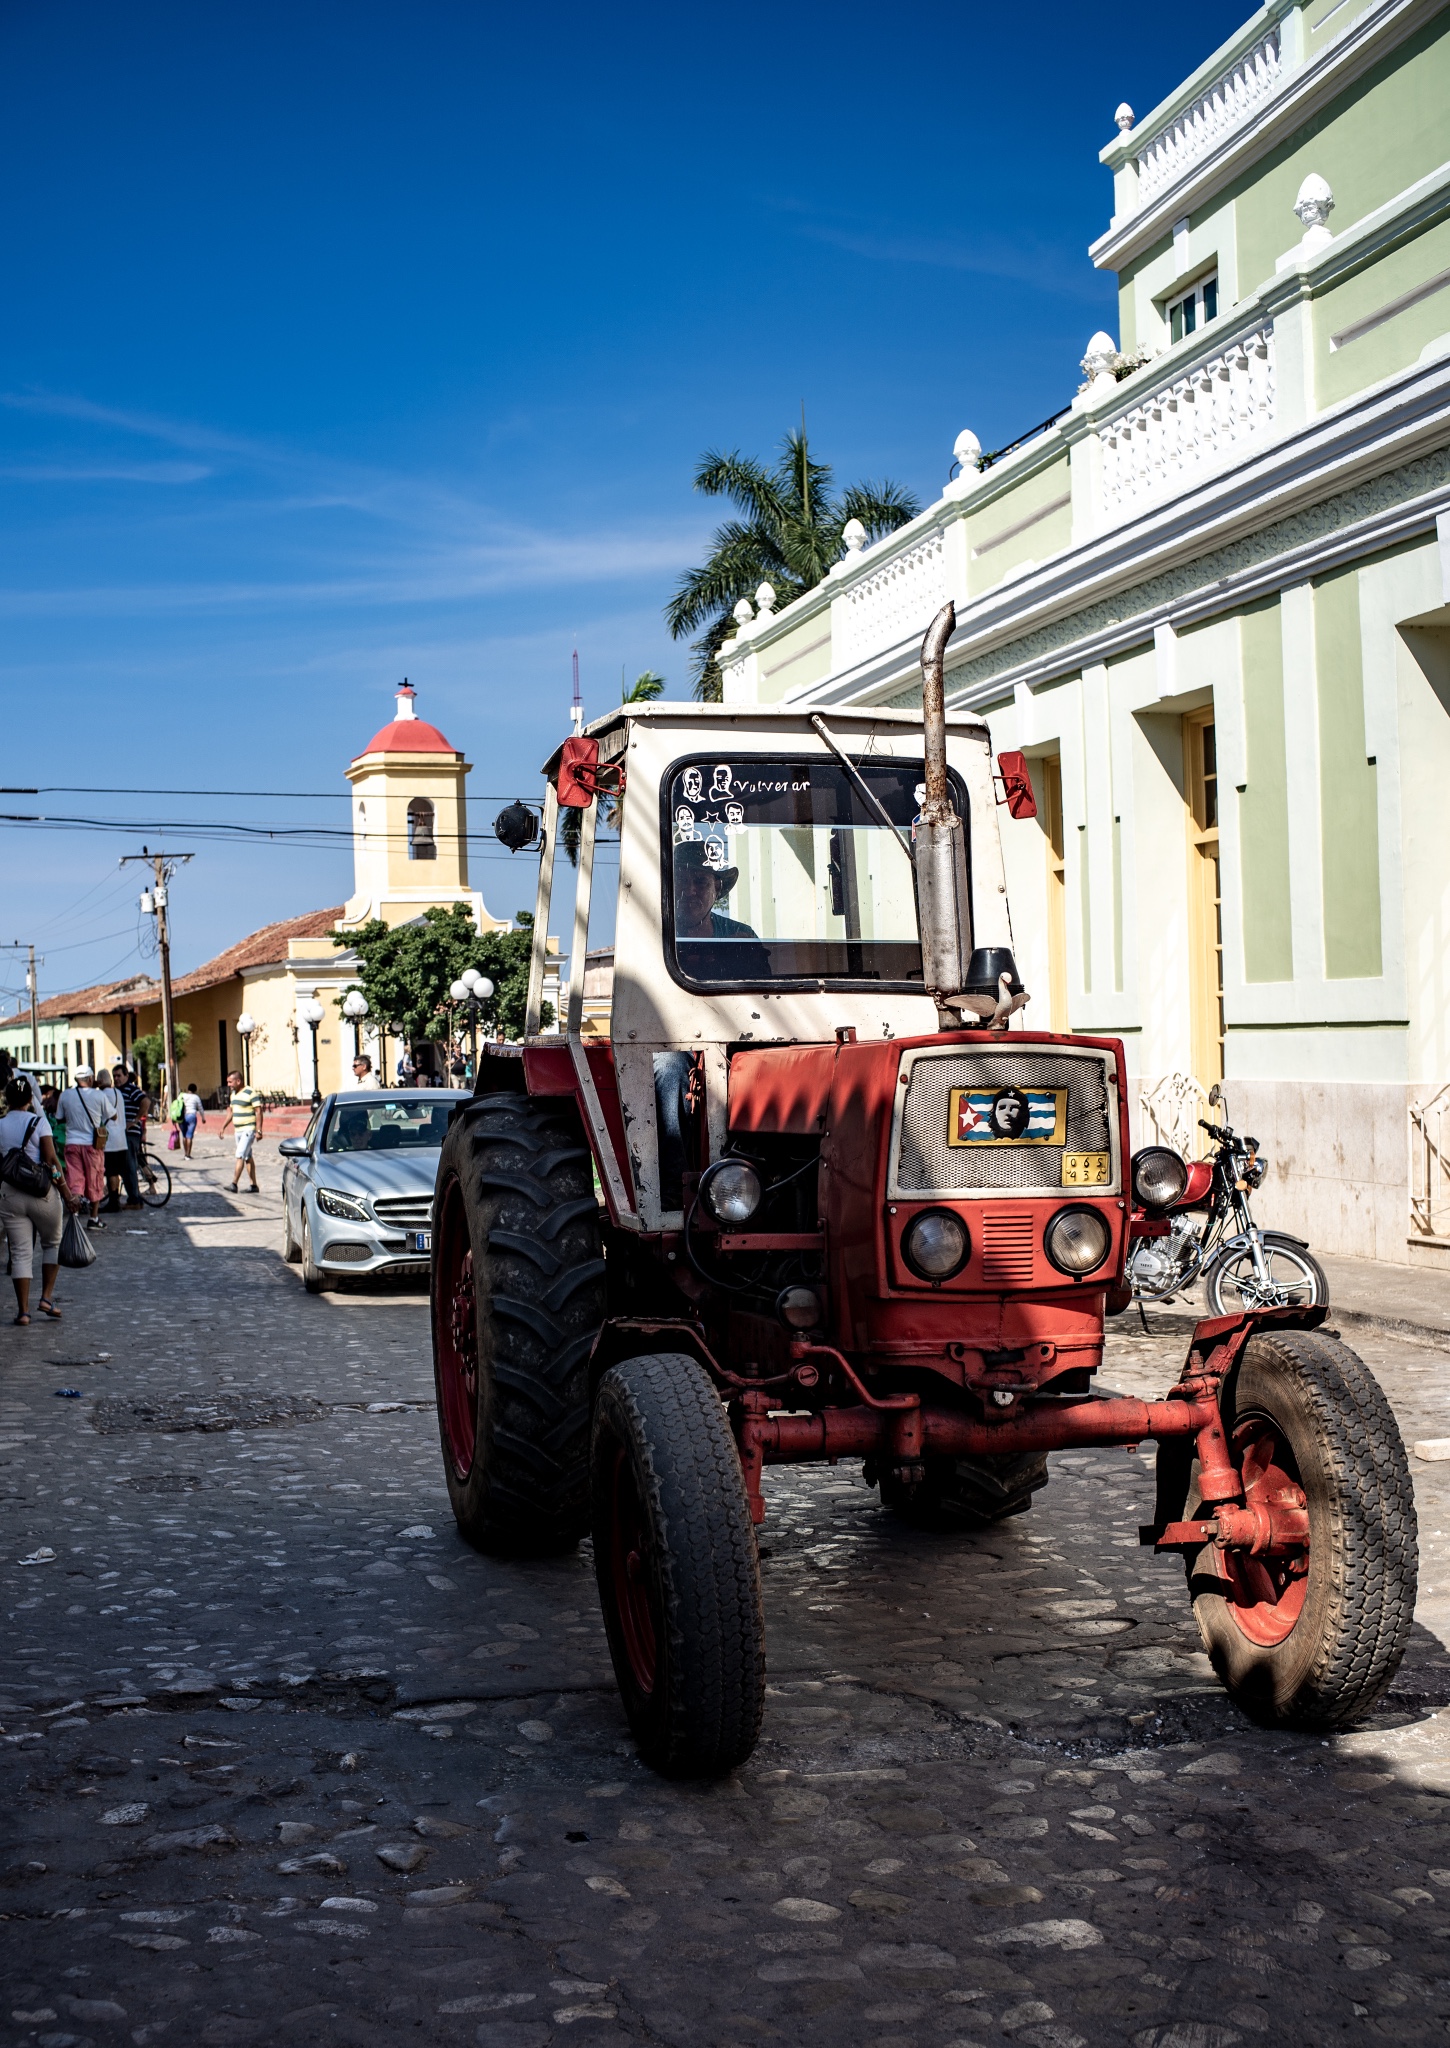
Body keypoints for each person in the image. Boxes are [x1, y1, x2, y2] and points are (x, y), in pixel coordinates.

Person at [0, 1074, 78, 1324]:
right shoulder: (39, 1122)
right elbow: (52, 1162)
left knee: (21, 1252)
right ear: (30, 1100)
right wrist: (66, 1193)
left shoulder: (0, 1125)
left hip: (10, 1194)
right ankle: (46, 1297)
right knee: (52, 1243)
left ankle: (23, 1312)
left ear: (7, 1099)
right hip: (42, 1193)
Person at [672, 841, 770, 980]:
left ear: (717, 889)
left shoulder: (740, 933)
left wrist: (734, 951)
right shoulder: (654, 928)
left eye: (701, 882)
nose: (689, 891)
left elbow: (762, 989)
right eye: (681, 880)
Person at [56, 1065, 108, 1228]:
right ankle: (93, 1218)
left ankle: (75, 1215)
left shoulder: (65, 1095)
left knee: (75, 1179)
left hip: (72, 1143)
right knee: (95, 1179)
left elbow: (59, 1118)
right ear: (91, 1079)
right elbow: (112, 1115)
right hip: (92, 1145)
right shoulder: (99, 1095)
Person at [97, 1067, 140, 1211]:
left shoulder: (102, 1095)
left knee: (110, 1172)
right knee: (116, 1171)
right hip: (121, 1138)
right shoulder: (118, 1093)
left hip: (109, 1140)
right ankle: (116, 1199)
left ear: (100, 1081)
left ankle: (113, 1202)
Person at [218, 1069, 264, 1192]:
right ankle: (254, 1185)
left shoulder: (250, 1092)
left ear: (238, 1081)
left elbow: (258, 1111)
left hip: (248, 1130)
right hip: (237, 1130)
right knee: (247, 1157)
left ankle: (234, 1184)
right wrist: (223, 1126)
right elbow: (231, 1112)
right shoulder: (234, 1095)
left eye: (230, 1082)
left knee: (239, 1155)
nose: (228, 1085)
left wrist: (259, 1130)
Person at [117, 1065, 151, 1187]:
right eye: (114, 1076)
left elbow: (146, 1102)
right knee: (127, 1163)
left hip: (131, 1132)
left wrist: (135, 1120)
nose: (116, 1078)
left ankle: (135, 1198)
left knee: (131, 1164)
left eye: (119, 1075)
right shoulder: (118, 1090)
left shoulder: (131, 1089)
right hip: (122, 1132)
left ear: (126, 1076)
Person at [179, 1081, 204, 1157]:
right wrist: (203, 1118)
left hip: (182, 1117)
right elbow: (200, 1108)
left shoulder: (182, 1096)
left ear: (188, 1089)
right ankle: (188, 1154)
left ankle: (185, 1152)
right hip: (192, 1116)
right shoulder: (196, 1097)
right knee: (189, 1136)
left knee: (184, 1136)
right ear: (195, 1090)